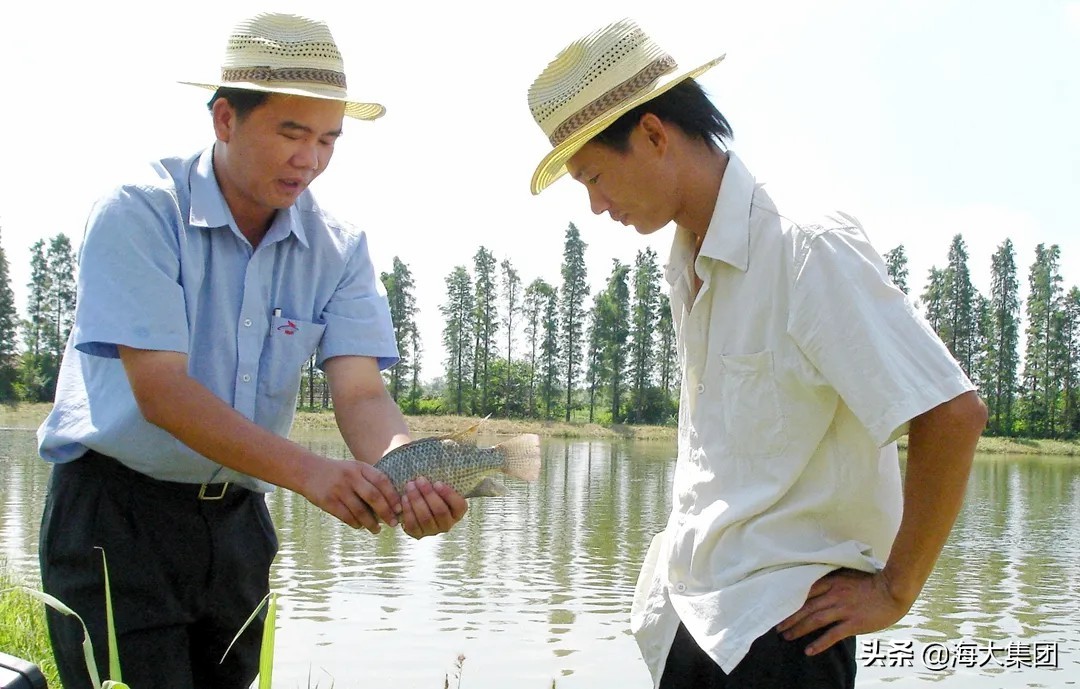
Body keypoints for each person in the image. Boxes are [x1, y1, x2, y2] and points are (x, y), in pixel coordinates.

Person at [527, 19, 987, 689]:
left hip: (784, 632)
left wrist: (895, 589)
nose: (596, 206)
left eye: (596, 177)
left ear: (655, 134)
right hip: (694, 614)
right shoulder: (688, 263)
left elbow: (951, 412)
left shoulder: (804, 248)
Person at [36, 12, 467, 689]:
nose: (311, 159)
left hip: (237, 528)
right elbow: (161, 391)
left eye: (329, 139)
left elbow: (360, 393)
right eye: (291, 133)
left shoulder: (338, 246)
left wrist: (403, 472)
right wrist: (311, 473)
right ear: (225, 120)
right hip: (116, 520)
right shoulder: (142, 211)